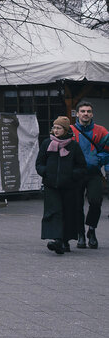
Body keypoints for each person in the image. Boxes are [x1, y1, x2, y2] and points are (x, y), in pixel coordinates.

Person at [37, 117, 86, 254]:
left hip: (69, 186)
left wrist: (72, 175)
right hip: (51, 185)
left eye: (59, 128)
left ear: (65, 130)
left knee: (68, 213)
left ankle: (65, 241)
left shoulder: (74, 146)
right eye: (54, 127)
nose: (56, 130)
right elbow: (39, 163)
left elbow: (81, 166)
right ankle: (57, 240)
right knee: (54, 212)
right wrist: (45, 172)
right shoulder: (47, 143)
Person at [70, 102, 107, 249]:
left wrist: (99, 159)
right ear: (77, 114)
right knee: (77, 205)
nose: (86, 113)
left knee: (96, 201)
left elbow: (107, 150)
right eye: (83, 111)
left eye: (88, 111)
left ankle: (91, 230)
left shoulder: (102, 131)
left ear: (92, 114)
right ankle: (80, 234)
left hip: (93, 172)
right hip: (76, 173)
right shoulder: (70, 131)